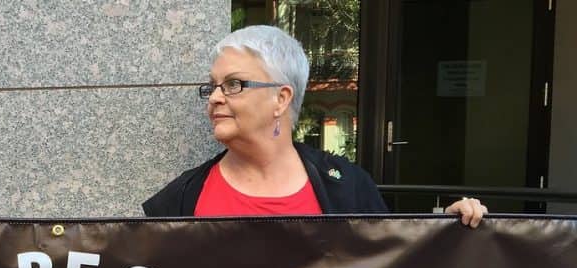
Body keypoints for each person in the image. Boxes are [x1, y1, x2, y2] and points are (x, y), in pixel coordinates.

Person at [143, 25, 487, 227]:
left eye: (233, 84)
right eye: (213, 85)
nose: (215, 97)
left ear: (281, 98)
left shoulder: (349, 188)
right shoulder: (180, 200)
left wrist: (446, 231)